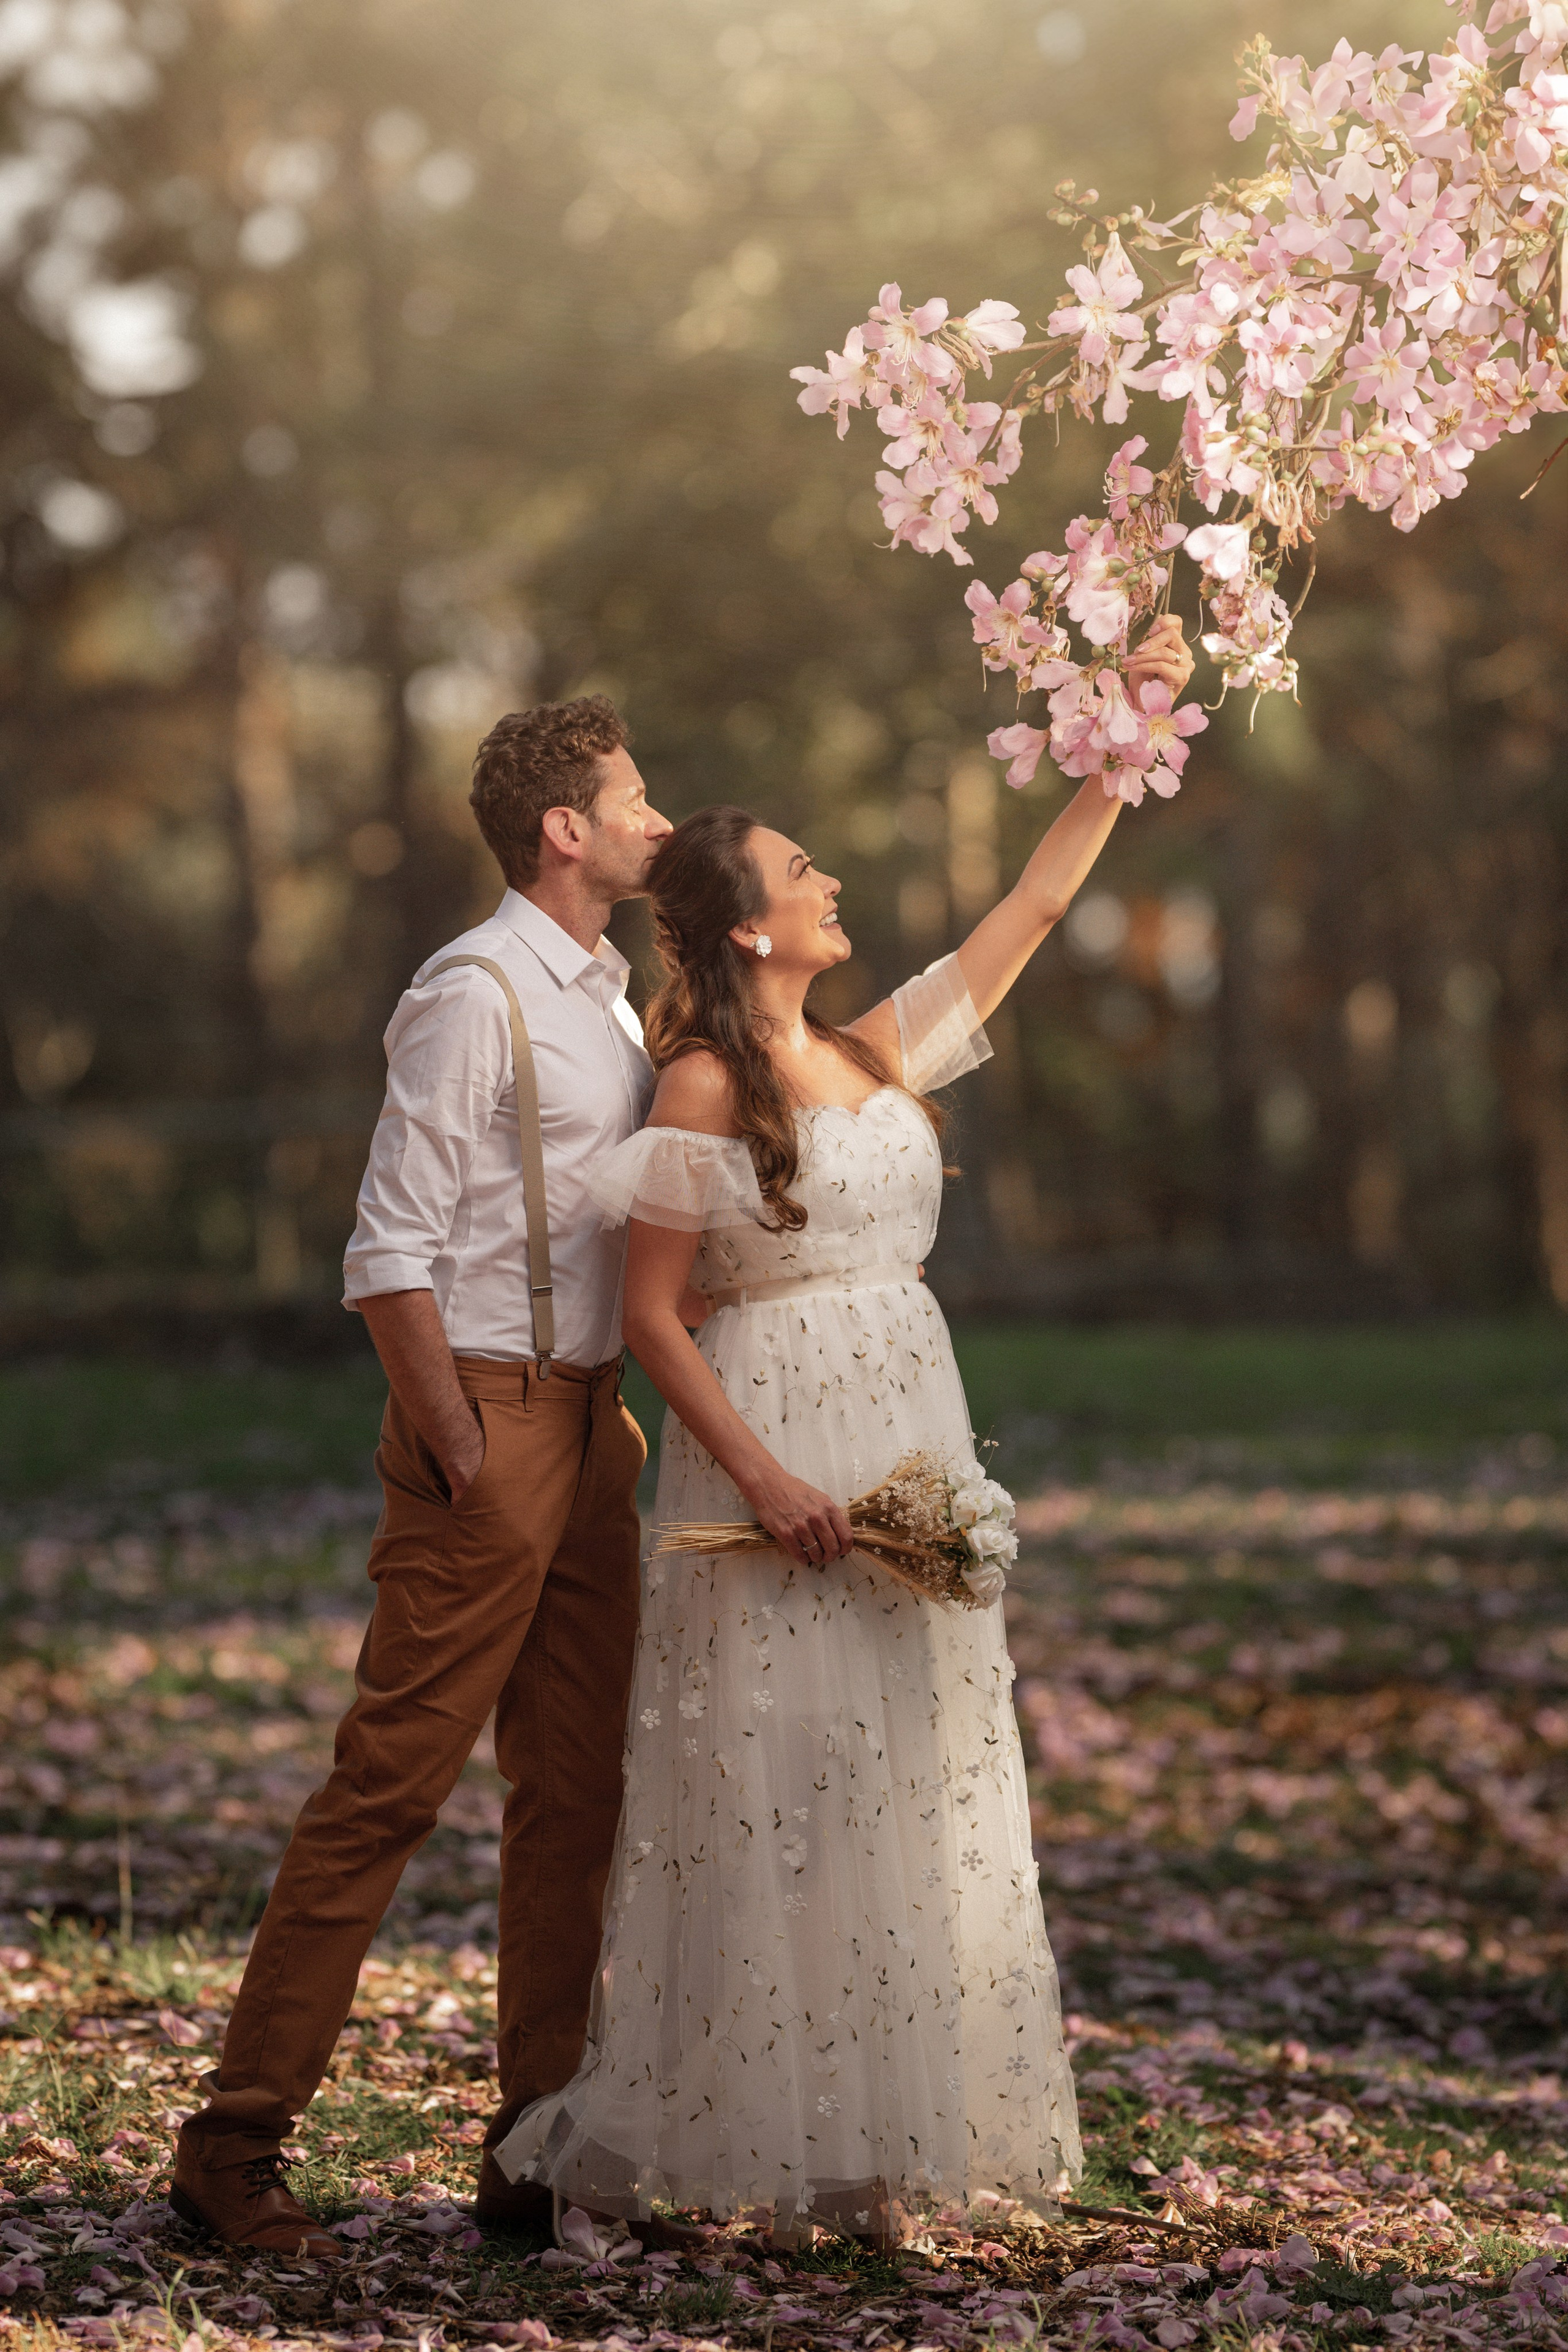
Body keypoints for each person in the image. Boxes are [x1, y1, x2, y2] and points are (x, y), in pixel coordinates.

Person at [495, 618, 1196, 2247]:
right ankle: (786, 2143)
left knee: (911, 1764)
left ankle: (888, 2141)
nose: (835, 887)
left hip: (914, 1441)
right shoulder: (698, 1092)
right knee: (787, 1773)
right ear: (747, 925)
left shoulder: (877, 1052)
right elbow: (656, 1316)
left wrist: (1128, 727)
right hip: (777, 1449)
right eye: (807, 872)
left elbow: (1031, 908)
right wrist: (766, 1478)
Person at [173, 696, 676, 2256]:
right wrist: (460, 1438)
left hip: (595, 1428)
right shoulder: (472, 994)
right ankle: (232, 2149)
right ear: (563, 831)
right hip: (493, 1416)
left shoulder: (605, 997)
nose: (658, 817)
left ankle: (535, 2153)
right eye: (633, 794)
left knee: (576, 1797)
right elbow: (385, 1248)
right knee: (388, 1787)